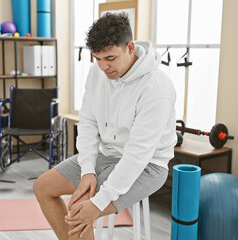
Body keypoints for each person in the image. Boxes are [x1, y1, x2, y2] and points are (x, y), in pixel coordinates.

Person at [34, 12, 176, 240]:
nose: (103, 66)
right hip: (107, 155)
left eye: (110, 58)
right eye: (97, 58)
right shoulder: (98, 72)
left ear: (130, 47)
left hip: (148, 166)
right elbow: (88, 122)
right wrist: (87, 170)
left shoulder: (157, 89)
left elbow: (137, 155)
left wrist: (99, 202)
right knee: (42, 186)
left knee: (79, 209)